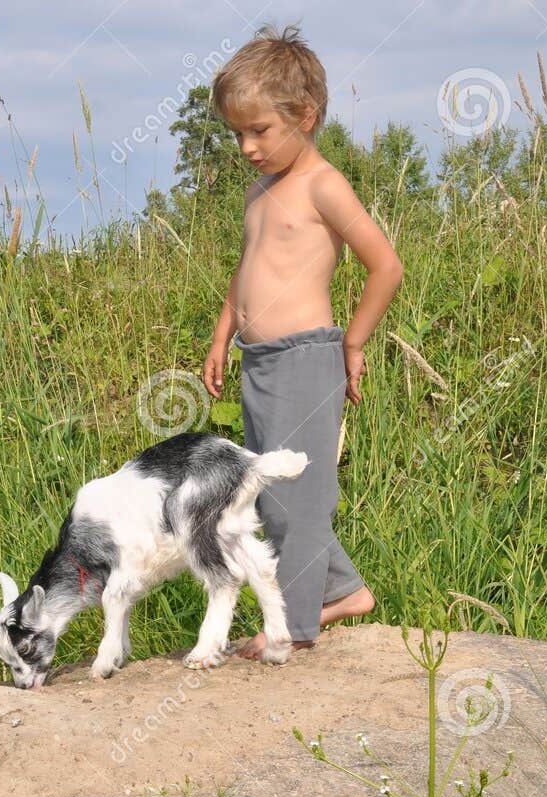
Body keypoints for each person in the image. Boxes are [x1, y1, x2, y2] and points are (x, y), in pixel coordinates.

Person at [200, 22, 402, 656]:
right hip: (258, 361)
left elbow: (386, 266)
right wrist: (223, 328)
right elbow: (250, 264)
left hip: (308, 357)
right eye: (237, 133)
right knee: (265, 493)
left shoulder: (323, 184)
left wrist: (354, 343)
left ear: (305, 115)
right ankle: (343, 590)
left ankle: (296, 624)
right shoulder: (260, 189)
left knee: (297, 496)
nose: (247, 147)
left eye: (260, 130)